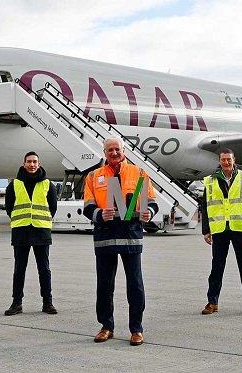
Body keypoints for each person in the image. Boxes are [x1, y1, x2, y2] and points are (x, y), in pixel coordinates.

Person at [82, 136, 158, 346]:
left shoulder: (138, 172)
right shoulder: (93, 176)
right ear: (104, 152)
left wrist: (148, 213)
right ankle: (106, 326)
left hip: (130, 235)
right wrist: (99, 214)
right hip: (105, 237)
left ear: (123, 150)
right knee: (104, 285)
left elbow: (151, 202)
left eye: (117, 149)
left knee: (135, 285)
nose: (114, 153)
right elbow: (88, 206)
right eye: (110, 150)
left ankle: (136, 329)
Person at [200, 148, 242, 316]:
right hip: (219, 229)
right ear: (220, 161)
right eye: (223, 160)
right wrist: (206, 230)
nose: (226, 163)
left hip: (239, 228)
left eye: (229, 159)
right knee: (217, 267)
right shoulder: (210, 180)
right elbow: (206, 207)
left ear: (234, 160)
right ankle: (212, 302)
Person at [4, 151, 58, 316]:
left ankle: (47, 302)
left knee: (44, 269)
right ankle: (16, 303)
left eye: (35, 162)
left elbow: (52, 207)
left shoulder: (48, 184)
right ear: (24, 164)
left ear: (39, 164)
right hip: (21, 230)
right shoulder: (14, 185)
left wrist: (43, 220)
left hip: (41, 229)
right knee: (19, 269)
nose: (32, 164)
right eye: (29, 161)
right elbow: (9, 207)